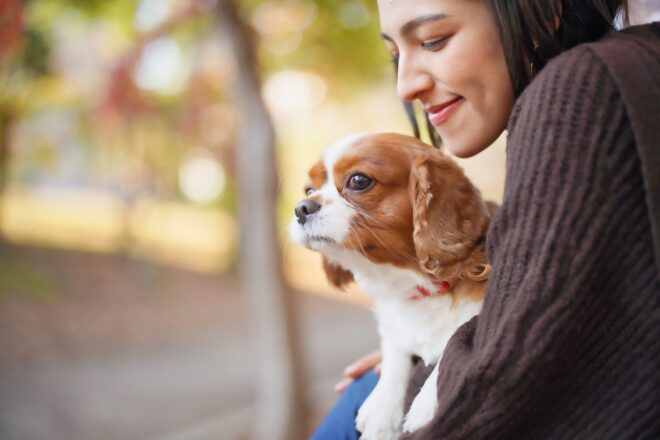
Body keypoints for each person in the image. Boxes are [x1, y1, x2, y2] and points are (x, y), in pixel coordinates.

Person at [312, 0, 660, 439]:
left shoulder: (578, 87)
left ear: (542, 11)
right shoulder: (633, 62)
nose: (405, 85)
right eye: (396, 56)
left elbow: (502, 375)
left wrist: (420, 375)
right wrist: (411, 353)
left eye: (433, 41)